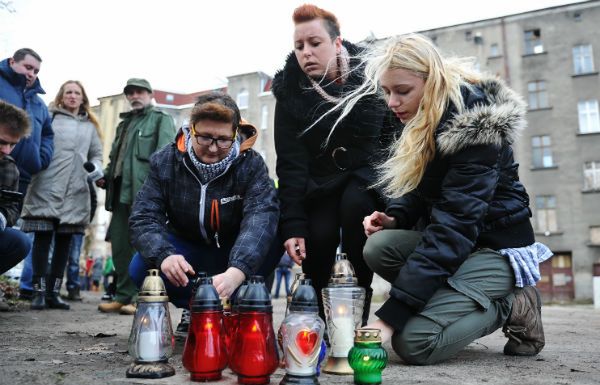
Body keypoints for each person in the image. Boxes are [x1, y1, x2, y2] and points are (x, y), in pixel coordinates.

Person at [328, 33, 551, 365]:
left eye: (402, 91)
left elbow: (455, 226)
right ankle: (457, 298)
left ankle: (511, 304)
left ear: (432, 80)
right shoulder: (423, 114)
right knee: (379, 245)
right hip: (463, 245)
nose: (392, 102)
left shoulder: (474, 127)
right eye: (387, 91)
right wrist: (397, 217)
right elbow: (424, 187)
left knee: (415, 343)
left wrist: (391, 318)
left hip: (496, 248)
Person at [271, 4, 399, 324]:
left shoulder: (374, 77)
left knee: (357, 209)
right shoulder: (290, 92)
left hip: (366, 176)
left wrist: (393, 205)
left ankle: (355, 318)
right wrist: (294, 227)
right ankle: (312, 320)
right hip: (319, 184)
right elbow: (290, 164)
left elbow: (391, 143)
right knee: (321, 234)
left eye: (315, 43)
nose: (306, 53)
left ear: (337, 42)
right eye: (299, 46)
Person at [128, 92, 280, 335]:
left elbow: (260, 218)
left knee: (275, 230)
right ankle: (195, 306)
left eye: (222, 140)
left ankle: (236, 304)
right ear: (191, 130)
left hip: (233, 248)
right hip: (187, 249)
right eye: (205, 138)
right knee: (140, 268)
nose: (213, 148)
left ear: (235, 134)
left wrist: (237, 271)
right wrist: (164, 255)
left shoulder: (251, 165)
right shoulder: (165, 161)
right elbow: (143, 216)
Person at [96, 78, 176, 315]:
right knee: (120, 246)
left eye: (139, 91)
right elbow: (115, 159)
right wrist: (106, 176)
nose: (134, 96)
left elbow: (165, 157)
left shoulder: (161, 119)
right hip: (119, 192)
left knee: (141, 245)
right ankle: (122, 295)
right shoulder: (124, 124)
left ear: (150, 94)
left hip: (145, 194)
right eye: (130, 93)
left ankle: (139, 296)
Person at [20, 80, 103, 310]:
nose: (73, 96)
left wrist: (95, 169)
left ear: (83, 97)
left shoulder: (90, 126)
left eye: (77, 92)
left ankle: (53, 294)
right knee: (43, 241)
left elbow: (97, 154)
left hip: (76, 189)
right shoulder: (50, 117)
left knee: (64, 246)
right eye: (69, 92)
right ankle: (37, 292)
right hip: (47, 185)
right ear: (61, 96)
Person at [0, 48, 55, 300]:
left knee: (11, 230)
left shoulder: (38, 103)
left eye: (36, 71)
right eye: (28, 67)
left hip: (17, 172)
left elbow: (47, 134)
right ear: (13, 62)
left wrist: (39, 159)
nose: (31, 74)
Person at [0, 101, 32, 277]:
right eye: (2, 142)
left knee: (20, 242)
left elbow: (11, 207)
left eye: (12, 145)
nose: (6, 150)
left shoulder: (8, 167)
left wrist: (2, 217)